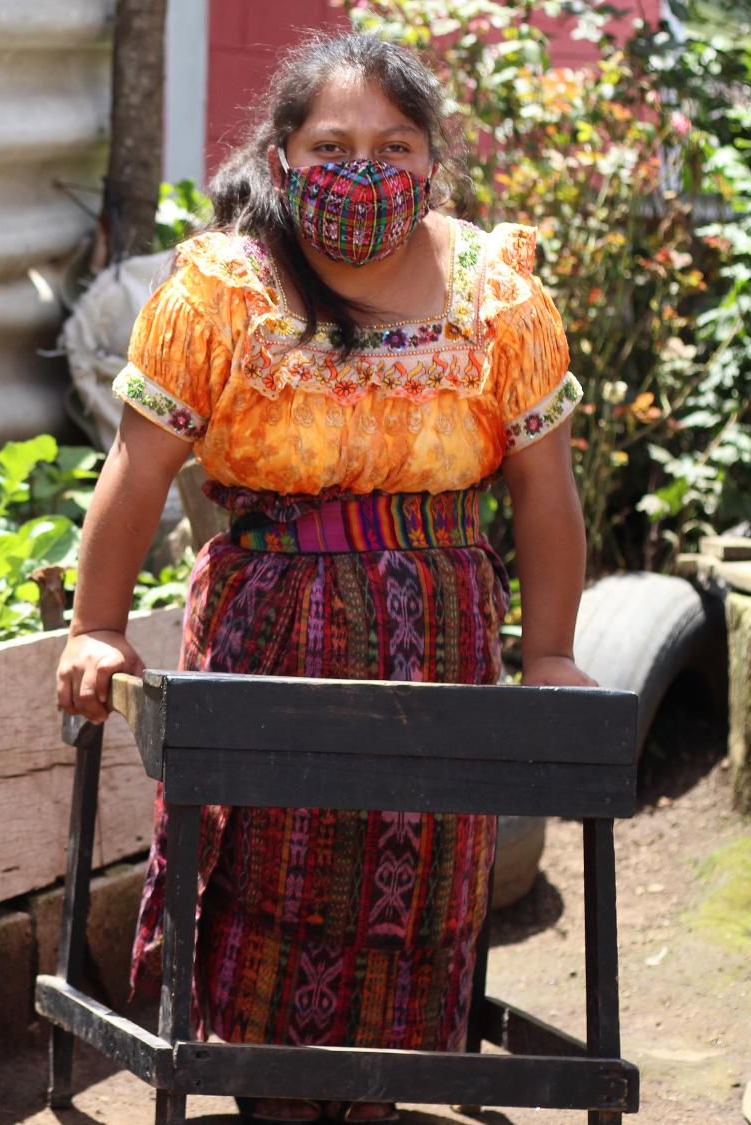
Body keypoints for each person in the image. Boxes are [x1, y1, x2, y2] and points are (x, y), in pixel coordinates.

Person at [55, 32, 596, 1125]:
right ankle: (272, 1097)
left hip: (441, 655)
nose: (364, 169)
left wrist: (546, 655)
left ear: (431, 161)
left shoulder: (497, 295)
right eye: (333, 144)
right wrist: (94, 628)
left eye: (392, 145)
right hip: (268, 644)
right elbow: (137, 467)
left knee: (421, 882)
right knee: (269, 876)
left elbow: (543, 494)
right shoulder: (221, 289)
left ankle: (380, 1096)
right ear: (284, 154)